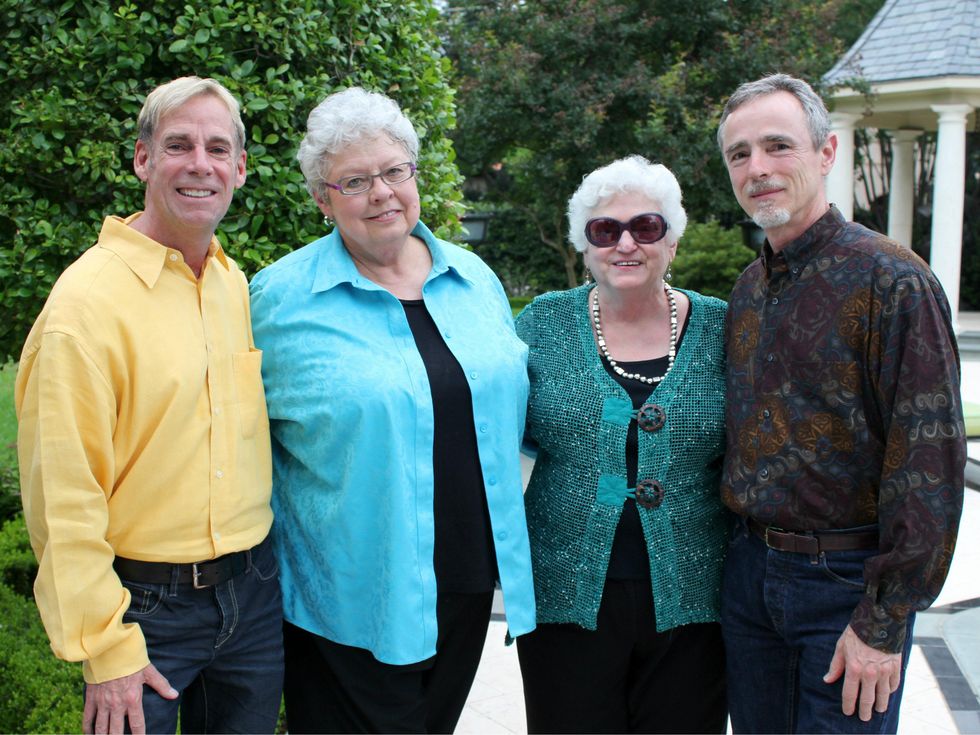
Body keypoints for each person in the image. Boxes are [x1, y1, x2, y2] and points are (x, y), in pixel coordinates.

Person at [248, 86, 535, 734]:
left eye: (392, 171)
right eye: (354, 180)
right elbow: (236, 444)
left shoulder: (474, 278)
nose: (380, 192)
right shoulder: (280, 300)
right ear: (323, 199)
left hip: (464, 585)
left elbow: (507, 405)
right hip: (348, 600)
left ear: (414, 174)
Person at [15, 77, 283, 735]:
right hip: (145, 609)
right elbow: (63, 496)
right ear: (143, 159)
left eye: (218, 148)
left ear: (240, 170)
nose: (201, 164)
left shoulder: (228, 281)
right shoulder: (84, 307)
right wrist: (104, 645)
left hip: (252, 595)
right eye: (178, 145)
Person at [717, 73, 966, 734]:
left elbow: (930, 463)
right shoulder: (747, 291)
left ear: (826, 154)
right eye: (740, 154)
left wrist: (882, 622)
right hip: (748, 577)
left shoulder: (894, 281)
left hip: (846, 585)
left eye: (778, 146)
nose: (758, 168)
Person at [514, 155, 729, 734]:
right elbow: (495, 437)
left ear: (672, 242)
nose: (625, 243)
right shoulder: (541, 325)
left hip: (694, 599)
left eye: (646, 227)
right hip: (566, 597)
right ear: (585, 247)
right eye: (605, 230)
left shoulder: (722, 329)